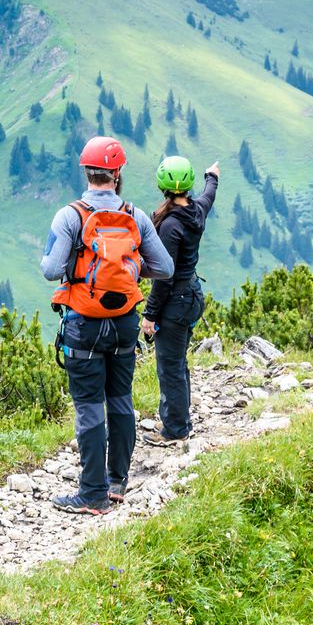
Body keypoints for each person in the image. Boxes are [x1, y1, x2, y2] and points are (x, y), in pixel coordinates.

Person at [40, 136, 174, 514]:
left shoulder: (70, 215)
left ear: (87, 171)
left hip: (84, 323)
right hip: (124, 324)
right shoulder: (136, 216)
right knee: (120, 401)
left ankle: (92, 493)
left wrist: (78, 271)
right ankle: (117, 482)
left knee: (88, 407)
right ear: (117, 174)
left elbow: (50, 270)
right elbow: (165, 268)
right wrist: (130, 270)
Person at [140, 155, 220, 446]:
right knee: (178, 360)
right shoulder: (197, 210)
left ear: (161, 185)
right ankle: (180, 420)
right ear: (188, 185)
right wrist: (212, 175)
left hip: (175, 300)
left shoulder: (169, 226)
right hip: (193, 294)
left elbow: (165, 276)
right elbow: (209, 192)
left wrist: (149, 315)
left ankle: (175, 429)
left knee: (170, 365)